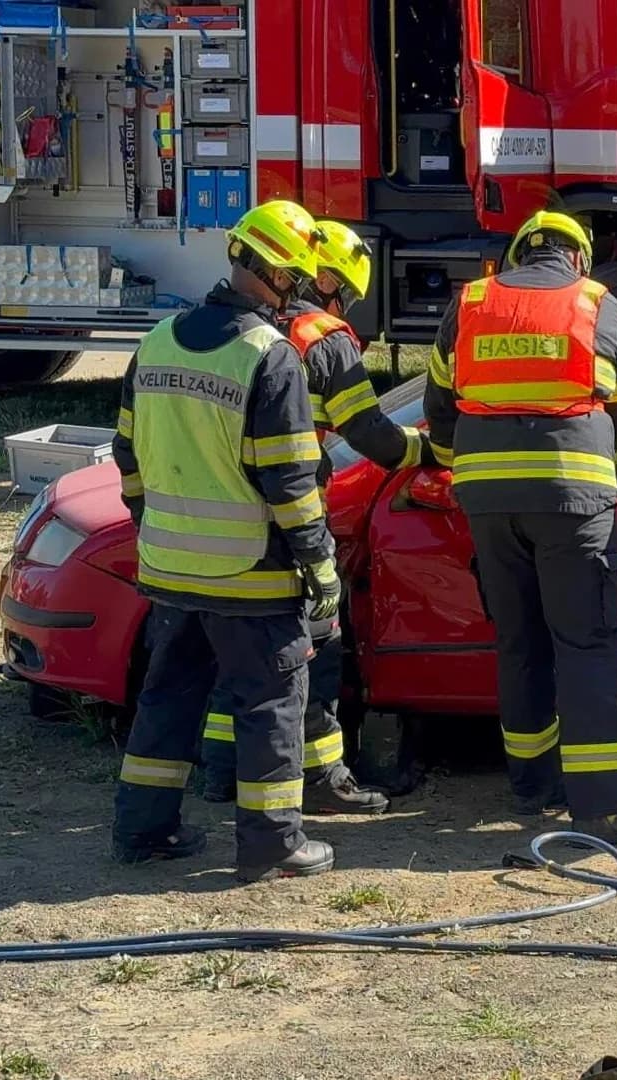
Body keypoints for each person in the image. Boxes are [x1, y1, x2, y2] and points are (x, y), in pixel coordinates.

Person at [110, 199, 340, 882]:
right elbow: (292, 484)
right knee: (272, 700)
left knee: (168, 698)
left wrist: (154, 530)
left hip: (172, 568)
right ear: (282, 277)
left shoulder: (156, 341)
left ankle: (141, 831)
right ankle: (272, 845)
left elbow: (127, 455)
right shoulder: (269, 358)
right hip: (252, 575)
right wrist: (321, 566)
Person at [424, 211, 617, 845]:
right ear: (579, 258)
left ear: (517, 253)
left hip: (486, 498)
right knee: (585, 646)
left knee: (520, 642)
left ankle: (531, 788)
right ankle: (602, 807)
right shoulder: (599, 305)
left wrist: (467, 464)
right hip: (572, 495)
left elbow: (440, 408)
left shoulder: (471, 301)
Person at [196, 219, 424, 815]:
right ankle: (324, 781)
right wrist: (426, 451)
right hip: (290, 519)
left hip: (222, 515)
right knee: (315, 652)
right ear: (327, 283)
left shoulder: (237, 328)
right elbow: (369, 432)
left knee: (237, 657)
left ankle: (221, 773)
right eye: (343, 291)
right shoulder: (324, 339)